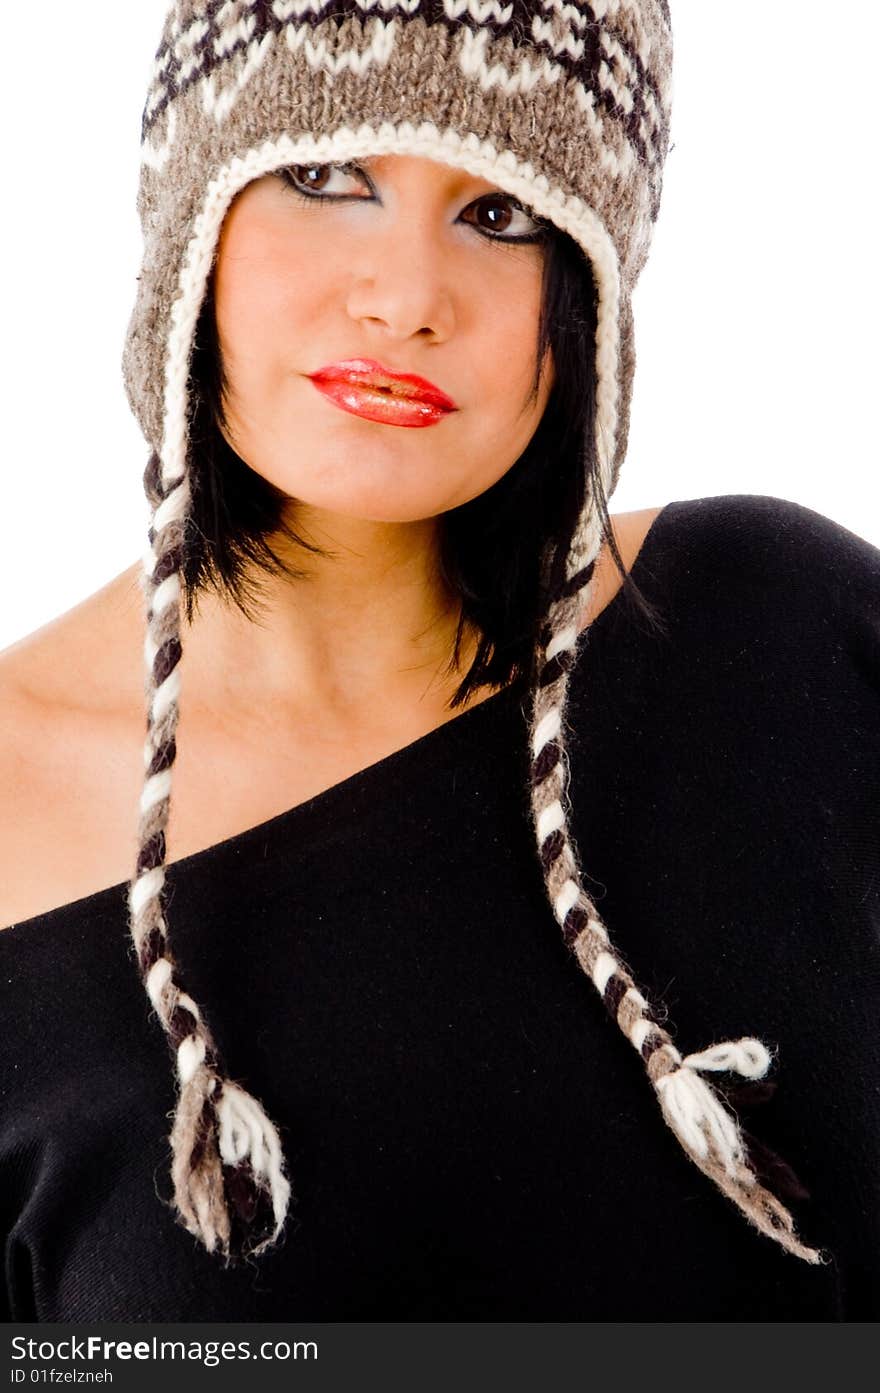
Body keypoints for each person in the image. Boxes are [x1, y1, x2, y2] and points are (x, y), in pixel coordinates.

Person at [0, 0, 877, 1322]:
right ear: (190, 216)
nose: (407, 297)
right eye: (325, 175)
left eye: (501, 212)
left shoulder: (786, 638)